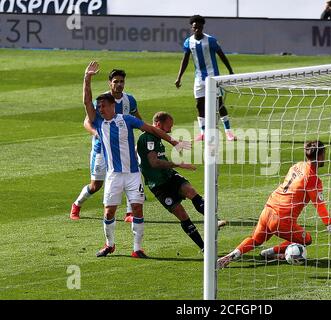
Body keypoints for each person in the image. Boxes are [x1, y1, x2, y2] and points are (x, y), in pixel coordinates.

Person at [82, 61, 190, 258]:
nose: (100, 109)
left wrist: (173, 141)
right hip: (114, 174)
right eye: (99, 107)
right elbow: (87, 102)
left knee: (138, 210)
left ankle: (137, 248)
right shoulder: (99, 122)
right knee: (109, 212)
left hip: (132, 174)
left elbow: (151, 129)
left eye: (103, 106)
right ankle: (109, 244)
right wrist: (87, 79)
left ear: (112, 106)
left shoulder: (127, 120)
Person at [217, 140, 331, 269]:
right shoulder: (313, 180)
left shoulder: (297, 165)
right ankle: (273, 251)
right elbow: (322, 211)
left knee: (255, 240)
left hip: (268, 209)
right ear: (321, 156)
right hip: (281, 221)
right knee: (307, 239)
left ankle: (233, 254)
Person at [136, 112, 227, 251]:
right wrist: (177, 164)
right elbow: (154, 163)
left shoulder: (156, 137)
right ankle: (204, 248)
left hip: (169, 176)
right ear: (158, 124)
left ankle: (214, 221)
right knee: (182, 215)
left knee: (191, 191)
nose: (170, 130)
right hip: (158, 185)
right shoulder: (148, 138)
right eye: (168, 127)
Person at [70, 68, 142, 223]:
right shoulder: (101, 100)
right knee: (96, 185)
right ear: (110, 83)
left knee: (130, 176)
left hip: (123, 149)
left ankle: (129, 213)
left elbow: (138, 120)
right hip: (101, 150)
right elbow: (87, 122)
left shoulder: (130, 100)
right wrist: (97, 133)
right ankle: (77, 204)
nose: (119, 84)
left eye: (122, 81)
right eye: (116, 81)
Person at [175, 14, 237, 142]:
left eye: (199, 27)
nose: (197, 29)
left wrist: (230, 70)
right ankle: (203, 132)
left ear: (203, 27)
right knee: (199, 105)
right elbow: (185, 60)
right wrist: (179, 77)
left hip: (213, 76)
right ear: (192, 28)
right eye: (194, 27)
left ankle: (228, 132)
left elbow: (222, 55)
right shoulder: (188, 42)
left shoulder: (211, 40)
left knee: (219, 104)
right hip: (199, 78)